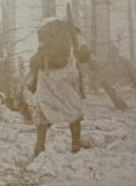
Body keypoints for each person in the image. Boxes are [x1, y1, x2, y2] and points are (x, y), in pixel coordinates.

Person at [25, 16, 91, 158]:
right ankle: (75, 144)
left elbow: (37, 58)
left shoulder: (46, 33)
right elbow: (85, 55)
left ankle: (39, 147)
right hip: (66, 76)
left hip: (46, 75)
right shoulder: (75, 34)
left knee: (43, 109)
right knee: (74, 108)